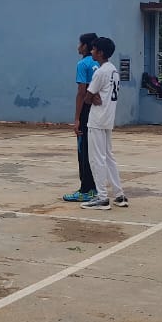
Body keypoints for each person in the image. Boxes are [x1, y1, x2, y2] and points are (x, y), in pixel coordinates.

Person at [82, 37, 128, 210]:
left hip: (97, 120)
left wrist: (92, 97)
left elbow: (88, 96)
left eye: (94, 50)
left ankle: (101, 197)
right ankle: (119, 194)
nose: (92, 52)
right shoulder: (113, 70)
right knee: (109, 157)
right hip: (108, 118)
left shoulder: (100, 72)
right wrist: (94, 96)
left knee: (97, 159)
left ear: (100, 52)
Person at [64, 32, 99, 202]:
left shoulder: (83, 64)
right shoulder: (102, 64)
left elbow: (81, 92)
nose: (78, 47)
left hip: (87, 110)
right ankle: (95, 187)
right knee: (96, 151)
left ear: (85, 46)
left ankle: (86, 189)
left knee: (83, 150)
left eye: (80, 44)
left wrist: (77, 118)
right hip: (100, 111)